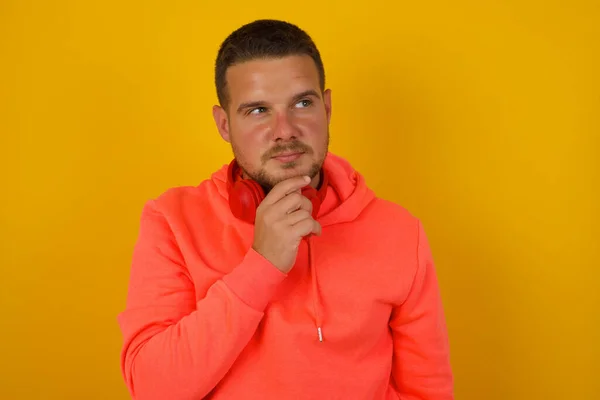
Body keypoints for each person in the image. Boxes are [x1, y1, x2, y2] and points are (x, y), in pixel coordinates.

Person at [117, 19, 454, 400]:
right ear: (224, 124)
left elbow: (428, 391)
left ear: (326, 108)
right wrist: (261, 266)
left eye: (302, 103)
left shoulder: (399, 231)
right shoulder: (172, 220)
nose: (285, 130)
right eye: (258, 110)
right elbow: (153, 388)